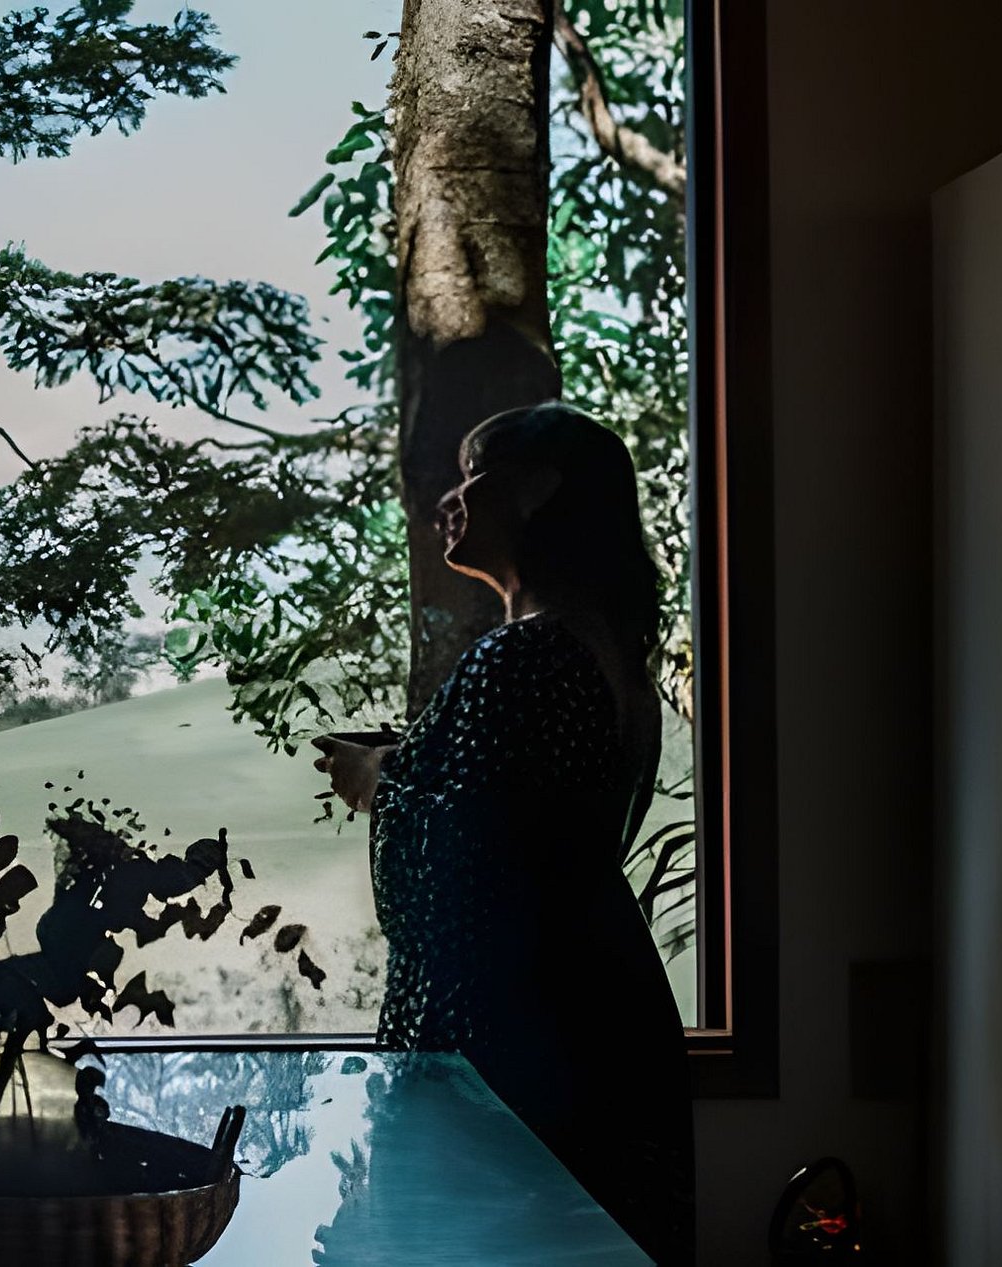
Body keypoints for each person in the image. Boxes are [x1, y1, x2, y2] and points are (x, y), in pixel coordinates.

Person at [314, 402, 694, 1264]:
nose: (450, 499)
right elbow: (518, 823)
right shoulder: (605, 656)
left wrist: (380, 781)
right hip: (589, 1027)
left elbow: (461, 879)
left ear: (536, 490)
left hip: (514, 1056)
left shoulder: (522, 657)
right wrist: (416, 762)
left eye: (471, 474)